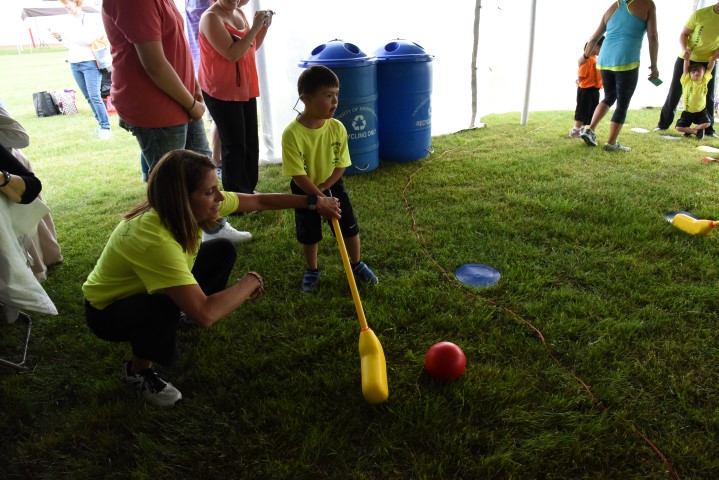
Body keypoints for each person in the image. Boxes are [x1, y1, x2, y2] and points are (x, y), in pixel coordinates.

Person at [82, 149, 341, 407]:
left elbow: (259, 201)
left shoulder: (185, 209)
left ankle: (181, 314)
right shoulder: (154, 239)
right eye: (209, 192)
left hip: (146, 288)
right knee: (165, 309)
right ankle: (138, 371)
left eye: (216, 188)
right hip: (106, 312)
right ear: (181, 198)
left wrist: (313, 202)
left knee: (221, 251)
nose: (219, 197)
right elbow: (205, 314)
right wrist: (249, 282)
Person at [102, 0, 248, 244]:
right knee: (173, 184)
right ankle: (180, 238)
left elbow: (175, 48)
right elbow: (155, 65)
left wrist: (194, 88)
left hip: (180, 98)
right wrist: (191, 104)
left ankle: (213, 228)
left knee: (203, 169)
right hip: (155, 107)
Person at [282, 65, 378, 293]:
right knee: (309, 233)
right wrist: (317, 196)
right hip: (304, 191)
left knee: (349, 227)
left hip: (333, 185)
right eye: (328, 96)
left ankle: (356, 264)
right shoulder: (292, 134)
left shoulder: (337, 128)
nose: (335, 101)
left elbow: (341, 164)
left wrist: (325, 189)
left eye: (336, 95)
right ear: (306, 99)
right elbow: (298, 174)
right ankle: (312, 269)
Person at [199, 1, 272, 196]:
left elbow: (250, 46)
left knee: (250, 141)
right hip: (221, 89)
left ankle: (248, 189)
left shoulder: (239, 12)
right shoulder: (210, 18)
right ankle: (237, 196)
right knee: (234, 144)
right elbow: (232, 53)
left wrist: (263, 26)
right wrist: (256, 26)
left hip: (244, 86)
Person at [579, 0, 659, 152]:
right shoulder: (648, 4)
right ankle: (611, 143)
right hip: (626, 59)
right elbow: (653, 36)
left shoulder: (612, 8)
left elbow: (593, 39)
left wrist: (585, 56)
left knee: (609, 97)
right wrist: (654, 65)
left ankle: (590, 130)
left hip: (604, 60)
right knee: (622, 103)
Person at [654, 2, 719, 137]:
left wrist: (716, 55)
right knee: (675, 91)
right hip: (688, 58)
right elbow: (684, 34)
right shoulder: (700, 14)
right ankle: (663, 125)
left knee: (709, 96)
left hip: (709, 60)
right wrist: (685, 51)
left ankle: (709, 130)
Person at [51, 0, 112, 139]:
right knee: (88, 97)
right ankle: (101, 124)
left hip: (89, 62)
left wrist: (66, 36)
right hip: (74, 62)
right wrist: (61, 38)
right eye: (64, 4)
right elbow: (69, 43)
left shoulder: (88, 19)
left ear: (77, 2)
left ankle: (106, 127)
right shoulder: (69, 21)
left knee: (95, 96)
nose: (66, 6)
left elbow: (89, 39)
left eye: (68, 3)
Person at [185, 0, 223, 171]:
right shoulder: (206, 7)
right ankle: (216, 161)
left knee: (217, 117)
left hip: (202, 65)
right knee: (219, 116)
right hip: (210, 67)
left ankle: (216, 161)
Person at [675, 50, 719, 139]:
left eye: (699, 71)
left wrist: (713, 59)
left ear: (703, 74)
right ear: (690, 74)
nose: (696, 73)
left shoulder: (704, 81)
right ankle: (694, 131)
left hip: (701, 112)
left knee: (707, 123)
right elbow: (685, 70)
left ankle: (694, 130)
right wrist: (686, 59)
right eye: (693, 72)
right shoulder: (686, 81)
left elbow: (709, 69)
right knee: (678, 127)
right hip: (687, 112)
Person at [569, 37, 604, 138]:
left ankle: (583, 129)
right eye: (602, 47)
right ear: (596, 46)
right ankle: (576, 130)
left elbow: (598, 74)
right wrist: (580, 81)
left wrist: (600, 84)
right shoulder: (587, 59)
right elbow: (581, 74)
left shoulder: (596, 59)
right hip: (586, 89)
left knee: (591, 110)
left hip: (594, 89)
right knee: (582, 109)